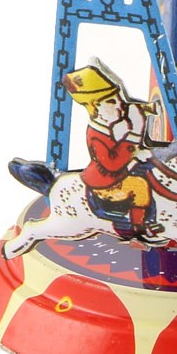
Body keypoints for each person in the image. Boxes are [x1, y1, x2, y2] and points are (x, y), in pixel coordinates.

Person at [63, 64, 162, 237]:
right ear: (96, 106)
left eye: (118, 100)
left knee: (155, 170)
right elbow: (112, 163)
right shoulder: (96, 135)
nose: (120, 106)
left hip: (118, 171)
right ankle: (139, 229)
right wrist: (134, 136)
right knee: (140, 186)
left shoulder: (110, 126)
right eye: (111, 102)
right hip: (105, 181)